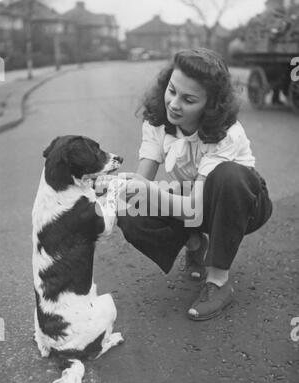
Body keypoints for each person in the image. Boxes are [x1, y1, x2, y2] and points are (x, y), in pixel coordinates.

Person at [112, 48, 273, 321]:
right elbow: (143, 182)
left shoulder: (226, 134)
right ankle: (194, 242)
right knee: (129, 208)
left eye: (188, 99)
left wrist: (151, 193)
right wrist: (118, 193)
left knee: (229, 176)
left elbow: (195, 208)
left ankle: (219, 281)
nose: (174, 104)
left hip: (242, 204)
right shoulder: (159, 120)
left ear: (210, 106)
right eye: (172, 90)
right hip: (193, 200)